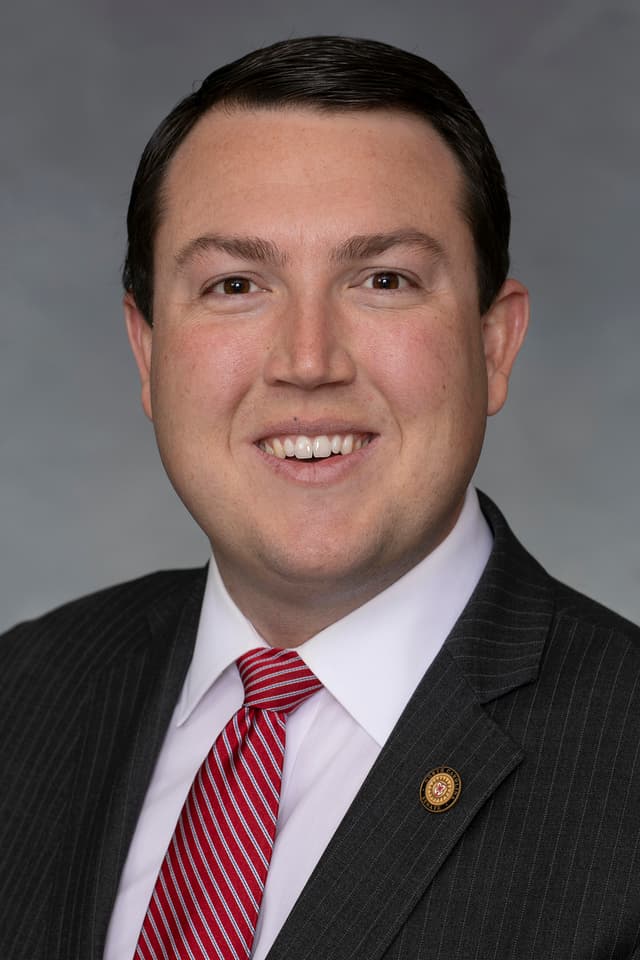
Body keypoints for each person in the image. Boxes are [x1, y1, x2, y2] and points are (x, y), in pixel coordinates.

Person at [1, 35, 639, 960]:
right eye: (235, 285)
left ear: (494, 345)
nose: (308, 361)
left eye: (383, 281)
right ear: (147, 353)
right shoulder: (24, 697)